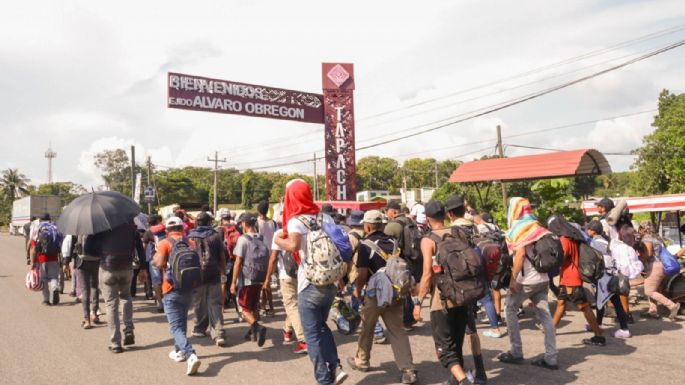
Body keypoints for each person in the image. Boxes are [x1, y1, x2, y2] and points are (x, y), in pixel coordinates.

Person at [274, 179, 348, 385]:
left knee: (311, 335)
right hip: (331, 282)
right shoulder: (325, 217)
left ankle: (324, 380)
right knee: (321, 327)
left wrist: (279, 239)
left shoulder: (296, 220)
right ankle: (336, 367)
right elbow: (340, 246)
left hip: (310, 284)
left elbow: (294, 245)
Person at [347, 210, 417, 384]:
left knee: (367, 328)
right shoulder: (393, 242)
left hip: (375, 294)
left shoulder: (365, 245)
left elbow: (362, 273)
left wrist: (358, 290)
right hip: (395, 293)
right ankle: (407, 370)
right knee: (397, 330)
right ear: (382, 225)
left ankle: (362, 361)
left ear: (368, 225)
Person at [414, 201, 475, 385]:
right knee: (456, 344)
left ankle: (463, 381)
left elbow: (427, 274)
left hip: (441, 302)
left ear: (427, 218)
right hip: (463, 296)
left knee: (445, 350)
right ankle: (455, 381)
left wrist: (418, 302)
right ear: (446, 214)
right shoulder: (458, 233)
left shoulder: (428, 240)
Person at [496, 197, 558, 369]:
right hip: (543, 278)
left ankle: (516, 351)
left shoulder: (519, 229)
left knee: (509, 309)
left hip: (526, 280)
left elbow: (520, 255)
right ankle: (551, 357)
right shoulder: (539, 227)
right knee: (545, 316)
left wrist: (513, 280)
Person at [444, 195, 491, 384]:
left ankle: (458, 375)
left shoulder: (453, 230)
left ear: (449, 213)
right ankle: (480, 371)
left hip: (461, 285)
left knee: (455, 331)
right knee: (472, 330)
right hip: (478, 281)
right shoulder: (476, 226)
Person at [153, 216, 202, 375]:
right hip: (188, 288)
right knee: (181, 321)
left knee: (175, 327)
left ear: (166, 230)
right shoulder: (191, 243)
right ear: (182, 228)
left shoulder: (164, 243)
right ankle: (179, 351)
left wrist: (155, 258)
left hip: (171, 288)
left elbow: (159, 264)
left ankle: (190, 354)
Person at [549, 216, 605, 346]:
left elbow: (562, 258)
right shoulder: (574, 238)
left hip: (571, 279)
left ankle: (598, 335)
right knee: (561, 303)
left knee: (584, 306)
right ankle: (551, 329)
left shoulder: (564, 239)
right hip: (568, 277)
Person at [90, 220, 144, 353]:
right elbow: (140, 248)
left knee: (111, 304)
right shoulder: (131, 227)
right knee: (126, 297)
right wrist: (143, 267)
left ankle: (115, 343)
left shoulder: (102, 227)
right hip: (126, 267)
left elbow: (89, 249)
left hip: (108, 268)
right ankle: (129, 329)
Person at [265, 227, 308, 354]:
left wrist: (267, 278)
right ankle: (287, 330)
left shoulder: (279, 233)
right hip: (303, 273)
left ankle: (304, 339)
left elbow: (273, 258)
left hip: (286, 275)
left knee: (291, 305)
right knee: (295, 304)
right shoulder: (302, 229)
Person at [586, 220, 631, 337]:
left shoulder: (595, 243)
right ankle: (598, 324)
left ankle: (624, 329)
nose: (587, 231)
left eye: (588, 229)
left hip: (604, 276)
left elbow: (594, 261)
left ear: (593, 231)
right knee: (600, 301)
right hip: (611, 274)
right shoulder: (606, 240)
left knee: (615, 302)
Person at [231, 213, 269, 347]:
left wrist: (233, 283)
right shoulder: (262, 238)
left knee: (244, 309)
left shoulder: (243, 239)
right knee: (254, 306)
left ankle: (257, 327)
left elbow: (237, 262)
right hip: (259, 277)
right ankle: (252, 333)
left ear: (245, 224)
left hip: (247, 279)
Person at [190, 212, 228, 347]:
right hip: (214, 273)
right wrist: (223, 272)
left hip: (197, 274)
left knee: (199, 302)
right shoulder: (215, 236)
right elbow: (222, 256)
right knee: (215, 303)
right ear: (208, 222)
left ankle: (200, 328)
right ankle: (219, 333)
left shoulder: (191, 236)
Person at [384, 200, 420, 331]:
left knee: (402, 291)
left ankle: (405, 321)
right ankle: (409, 320)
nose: (387, 215)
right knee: (407, 290)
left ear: (393, 211)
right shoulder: (410, 221)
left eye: (387, 212)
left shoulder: (393, 225)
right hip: (412, 259)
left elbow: (384, 243)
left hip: (400, 262)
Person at [637, 221, 681, 320]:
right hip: (660, 266)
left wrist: (638, 259)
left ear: (644, 228)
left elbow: (648, 254)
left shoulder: (647, 238)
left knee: (649, 291)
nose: (639, 230)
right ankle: (652, 311)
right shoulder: (656, 238)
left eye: (640, 228)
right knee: (653, 289)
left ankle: (672, 306)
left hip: (654, 266)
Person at [67, 234, 102, 329]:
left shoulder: (78, 227)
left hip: (81, 261)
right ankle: (94, 313)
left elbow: (73, 246)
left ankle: (87, 320)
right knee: (94, 286)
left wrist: (67, 261)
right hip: (95, 260)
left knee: (85, 290)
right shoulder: (98, 227)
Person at [28, 213, 62, 306]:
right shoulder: (55, 228)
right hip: (54, 257)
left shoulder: (38, 229)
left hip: (42, 259)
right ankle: (55, 288)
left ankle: (46, 300)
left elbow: (34, 248)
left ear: (40, 220)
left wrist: (33, 261)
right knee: (54, 277)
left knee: (44, 279)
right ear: (49, 219)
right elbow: (60, 244)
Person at [257, 200, 277, 317]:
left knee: (265, 282)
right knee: (266, 281)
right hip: (272, 254)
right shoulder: (273, 223)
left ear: (259, 210)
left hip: (260, 255)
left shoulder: (257, 223)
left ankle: (269, 306)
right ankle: (265, 305)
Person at [144, 215, 167, 313]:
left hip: (154, 259)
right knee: (166, 279)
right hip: (166, 257)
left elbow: (144, 247)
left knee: (156, 281)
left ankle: (160, 303)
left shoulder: (148, 233)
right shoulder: (165, 230)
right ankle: (167, 302)